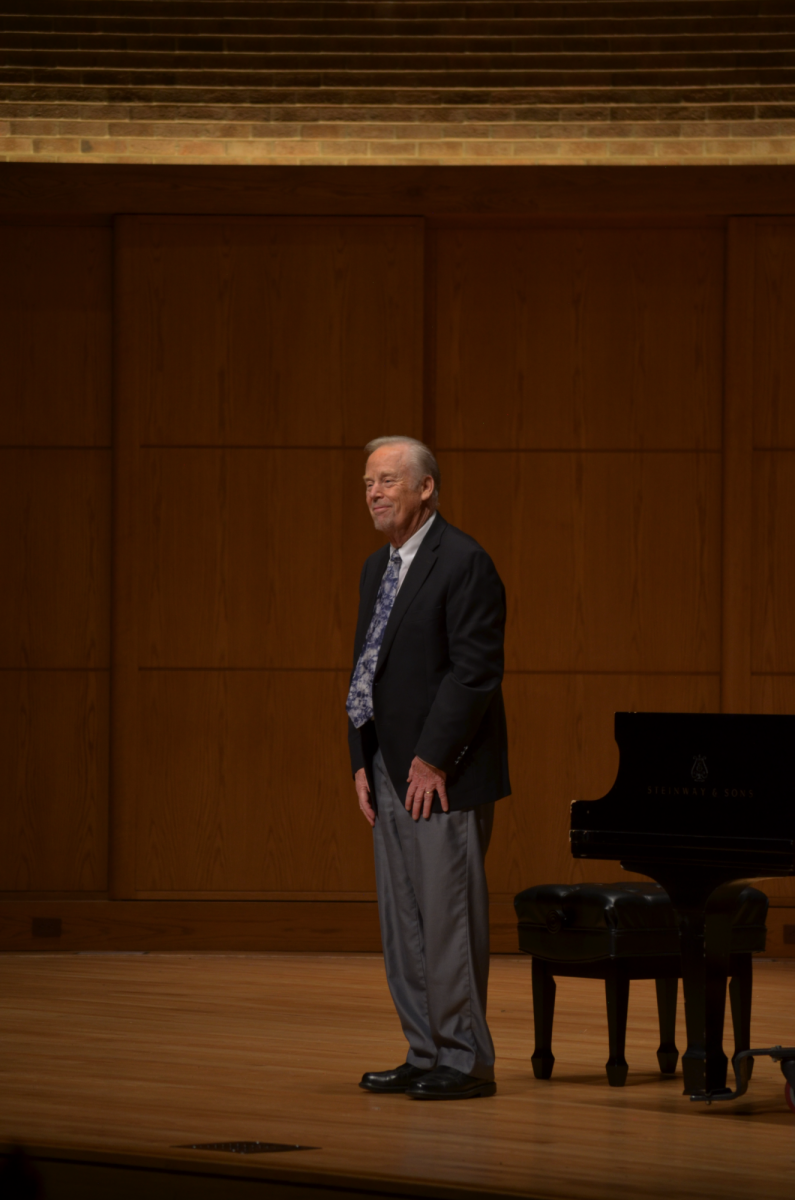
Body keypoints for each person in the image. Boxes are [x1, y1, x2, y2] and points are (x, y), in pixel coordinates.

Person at [346, 435, 511, 1100]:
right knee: (404, 919)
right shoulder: (375, 568)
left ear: (425, 488)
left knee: (446, 919)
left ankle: (466, 1058)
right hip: (387, 766)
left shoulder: (463, 561)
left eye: (387, 480)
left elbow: (473, 674)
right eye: (367, 483)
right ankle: (424, 1050)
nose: (374, 493)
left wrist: (431, 760)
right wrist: (361, 758)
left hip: (440, 772)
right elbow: (366, 669)